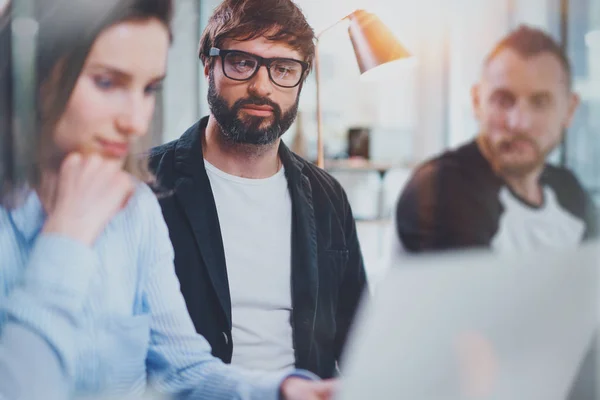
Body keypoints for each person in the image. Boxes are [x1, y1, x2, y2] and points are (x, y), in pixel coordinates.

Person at [0, 0, 336, 398]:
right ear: (34, 73)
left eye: (148, 89)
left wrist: (285, 389)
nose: (136, 121)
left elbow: (182, 369)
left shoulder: (135, 210)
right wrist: (67, 239)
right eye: (107, 82)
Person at [149, 0, 367, 379]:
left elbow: (359, 337)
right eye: (241, 62)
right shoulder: (147, 184)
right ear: (208, 65)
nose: (261, 86)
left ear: (302, 78)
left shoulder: (328, 196)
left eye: (283, 68)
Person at [394, 25, 598, 254]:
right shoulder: (440, 189)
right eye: (503, 100)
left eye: (540, 102)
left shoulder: (569, 192)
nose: (518, 123)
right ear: (476, 101)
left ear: (569, 110)